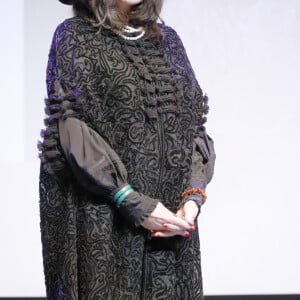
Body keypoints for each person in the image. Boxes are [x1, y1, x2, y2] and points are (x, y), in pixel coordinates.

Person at [38, 0, 216, 299]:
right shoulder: (75, 35)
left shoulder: (169, 39)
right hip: (106, 227)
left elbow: (193, 128)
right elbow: (72, 130)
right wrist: (132, 202)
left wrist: (193, 198)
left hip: (171, 227)